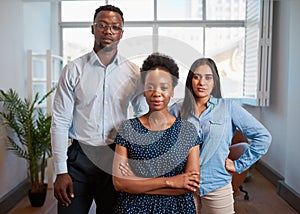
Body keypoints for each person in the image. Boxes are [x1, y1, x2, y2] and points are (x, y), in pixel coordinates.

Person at [51, 5, 147, 214]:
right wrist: (60, 171)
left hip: (116, 157)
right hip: (79, 159)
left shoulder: (134, 73)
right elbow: (60, 120)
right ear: (92, 28)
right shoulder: (74, 69)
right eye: (102, 25)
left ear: (121, 32)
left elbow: (143, 117)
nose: (108, 31)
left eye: (115, 27)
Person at [170, 58, 272, 213]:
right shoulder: (177, 109)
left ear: (215, 82)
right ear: (190, 80)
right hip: (183, 187)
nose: (202, 82)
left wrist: (239, 165)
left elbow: (263, 137)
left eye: (208, 77)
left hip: (216, 184)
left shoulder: (228, 108)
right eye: (197, 77)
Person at [112, 53, 201, 214]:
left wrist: (137, 184)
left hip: (178, 208)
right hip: (133, 208)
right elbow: (119, 183)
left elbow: (191, 184)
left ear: (173, 90)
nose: (156, 93)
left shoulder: (187, 131)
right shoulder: (127, 128)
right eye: (150, 87)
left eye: (164, 88)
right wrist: (172, 181)